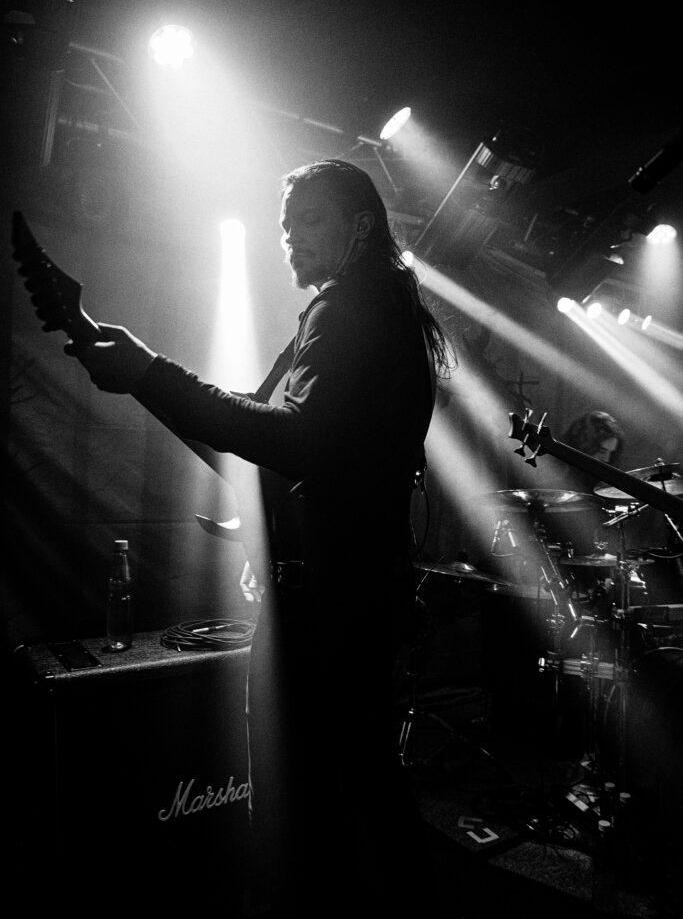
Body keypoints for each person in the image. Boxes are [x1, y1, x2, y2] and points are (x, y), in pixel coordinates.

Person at [64, 159, 451, 917]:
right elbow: (289, 444)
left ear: (361, 225)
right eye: (284, 225)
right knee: (360, 782)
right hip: (352, 589)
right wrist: (146, 377)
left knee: (307, 796)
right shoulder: (374, 306)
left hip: (330, 602)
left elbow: (293, 441)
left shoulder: (350, 307)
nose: (289, 237)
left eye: (308, 220)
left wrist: (149, 374)